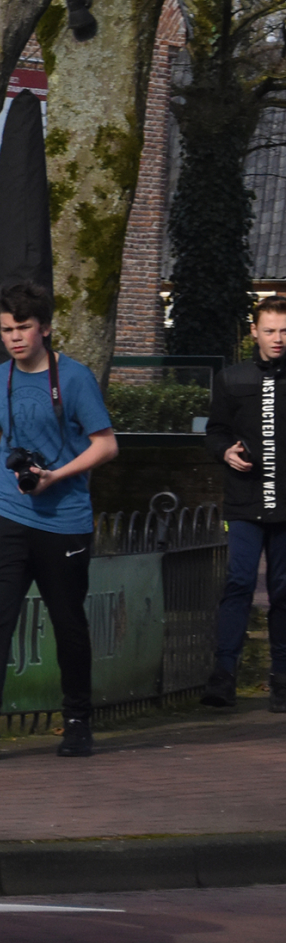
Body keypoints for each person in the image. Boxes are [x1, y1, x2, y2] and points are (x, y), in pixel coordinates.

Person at [0, 281, 119, 759]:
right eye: (7, 329)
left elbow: (106, 445)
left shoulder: (74, 379)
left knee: (68, 622)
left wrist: (56, 476)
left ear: (45, 329)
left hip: (64, 521)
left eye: (24, 328)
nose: (15, 337)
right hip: (4, 516)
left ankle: (77, 722)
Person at [202, 295, 286, 710]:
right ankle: (224, 676)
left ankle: (282, 679)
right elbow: (214, 431)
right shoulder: (233, 379)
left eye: (284, 330)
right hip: (244, 502)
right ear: (254, 332)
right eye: (270, 330)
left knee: (283, 590)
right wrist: (225, 452)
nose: (278, 338)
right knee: (238, 584)